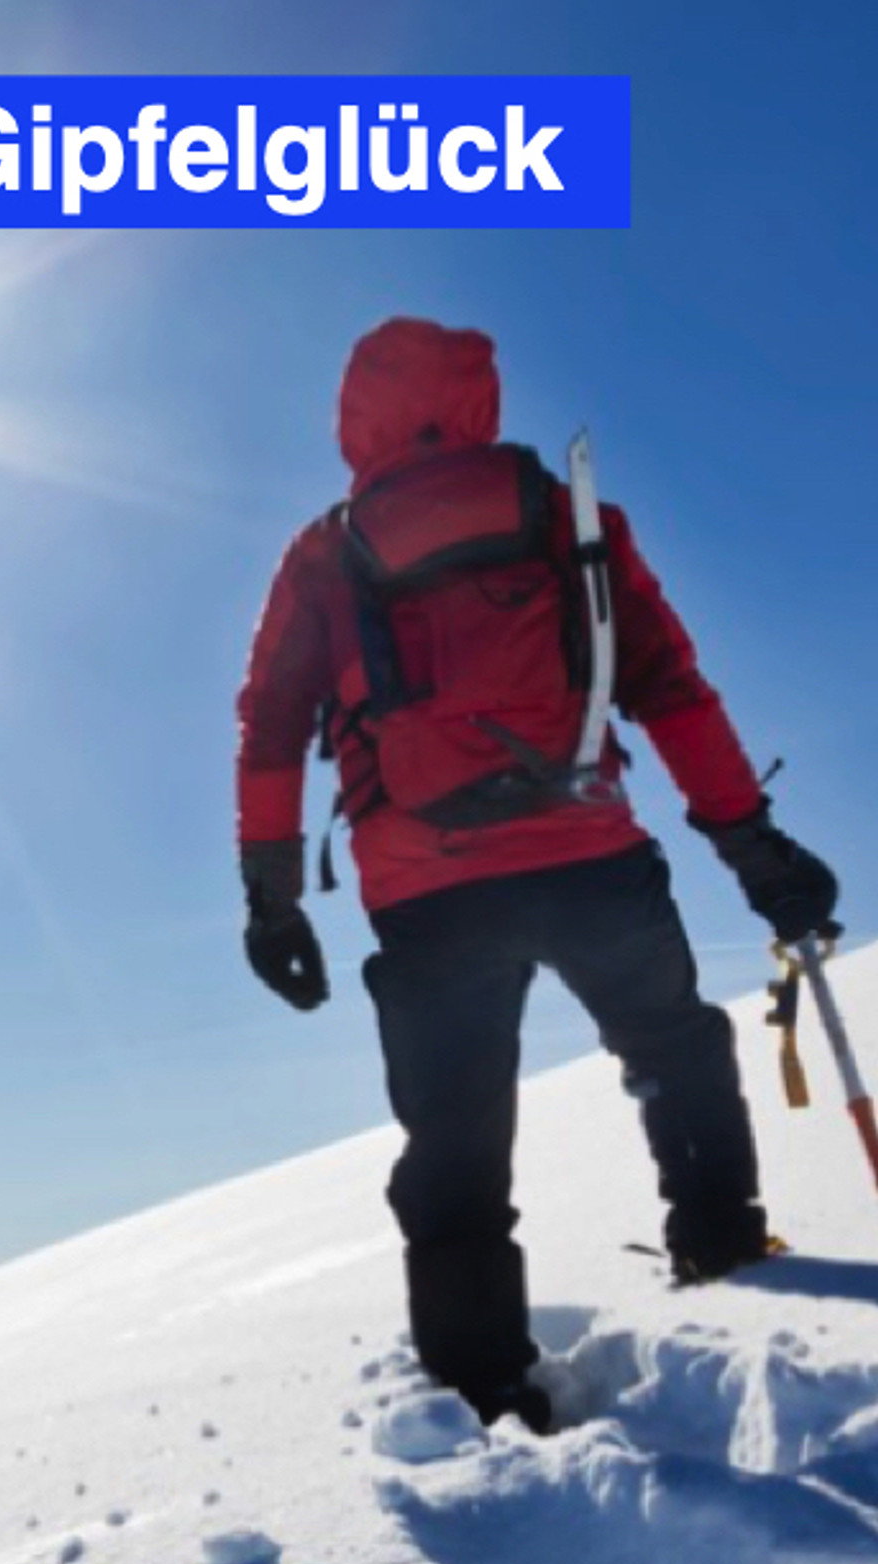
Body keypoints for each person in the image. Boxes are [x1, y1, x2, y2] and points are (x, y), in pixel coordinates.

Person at [235, 317, 839, 1433]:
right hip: (588, 852)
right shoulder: (568, 515)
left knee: (455, 1132)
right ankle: (721, 1250)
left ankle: (480, 1390)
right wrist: (751, 842)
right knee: (672, 1049)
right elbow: (669, 687)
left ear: (353, 418)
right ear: (479, 397)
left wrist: (270, 897)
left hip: (424, 889)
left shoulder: (324, 552)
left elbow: (269, 728)